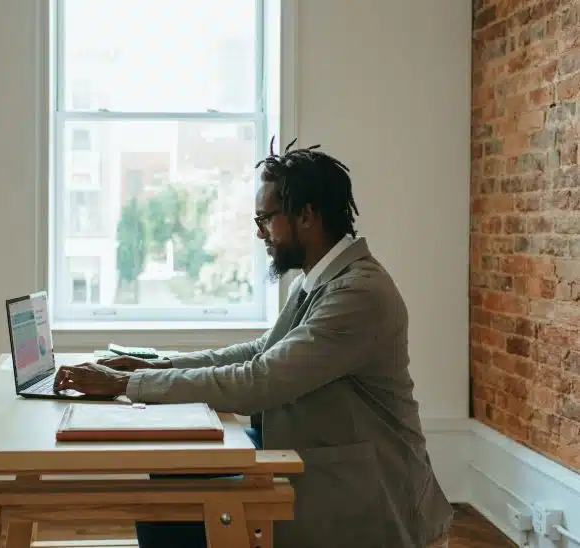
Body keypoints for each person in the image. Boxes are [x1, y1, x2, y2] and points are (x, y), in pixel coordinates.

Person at [54, 138, 454, 548]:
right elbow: (258, 352)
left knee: (173, 501)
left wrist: (125, 386)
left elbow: (258, 381)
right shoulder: (316, 281)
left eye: (265, 219)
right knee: (170, 482)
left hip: (374, 502)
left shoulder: (359, 295)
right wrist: (153, 368)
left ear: (307, 216)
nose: (260, 232)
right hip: (326, 465)